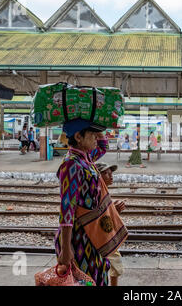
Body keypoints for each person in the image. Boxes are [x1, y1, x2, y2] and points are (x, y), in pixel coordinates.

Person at [55, 118, 111, 286]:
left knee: (96, 277)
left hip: (91, 235)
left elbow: (103, 146)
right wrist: (66, 248)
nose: (96, 137)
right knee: (84, 280)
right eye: (91, 134)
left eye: (96, 134)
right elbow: (67, 209)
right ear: (78, 137)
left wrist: (95, 120)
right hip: (78, 239)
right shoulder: (71, 164)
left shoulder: (85, 158)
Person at [95, 162, 126, 286]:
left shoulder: (103, 190)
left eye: (111, 173)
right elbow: (100, 217)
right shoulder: (96, 192)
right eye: (106, 173)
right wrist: (115, 210)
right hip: (101, 237)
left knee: (115, 265)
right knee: (115, 263)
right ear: (98, 176)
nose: (111, 176)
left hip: (105, 236)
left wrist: (114, 208)